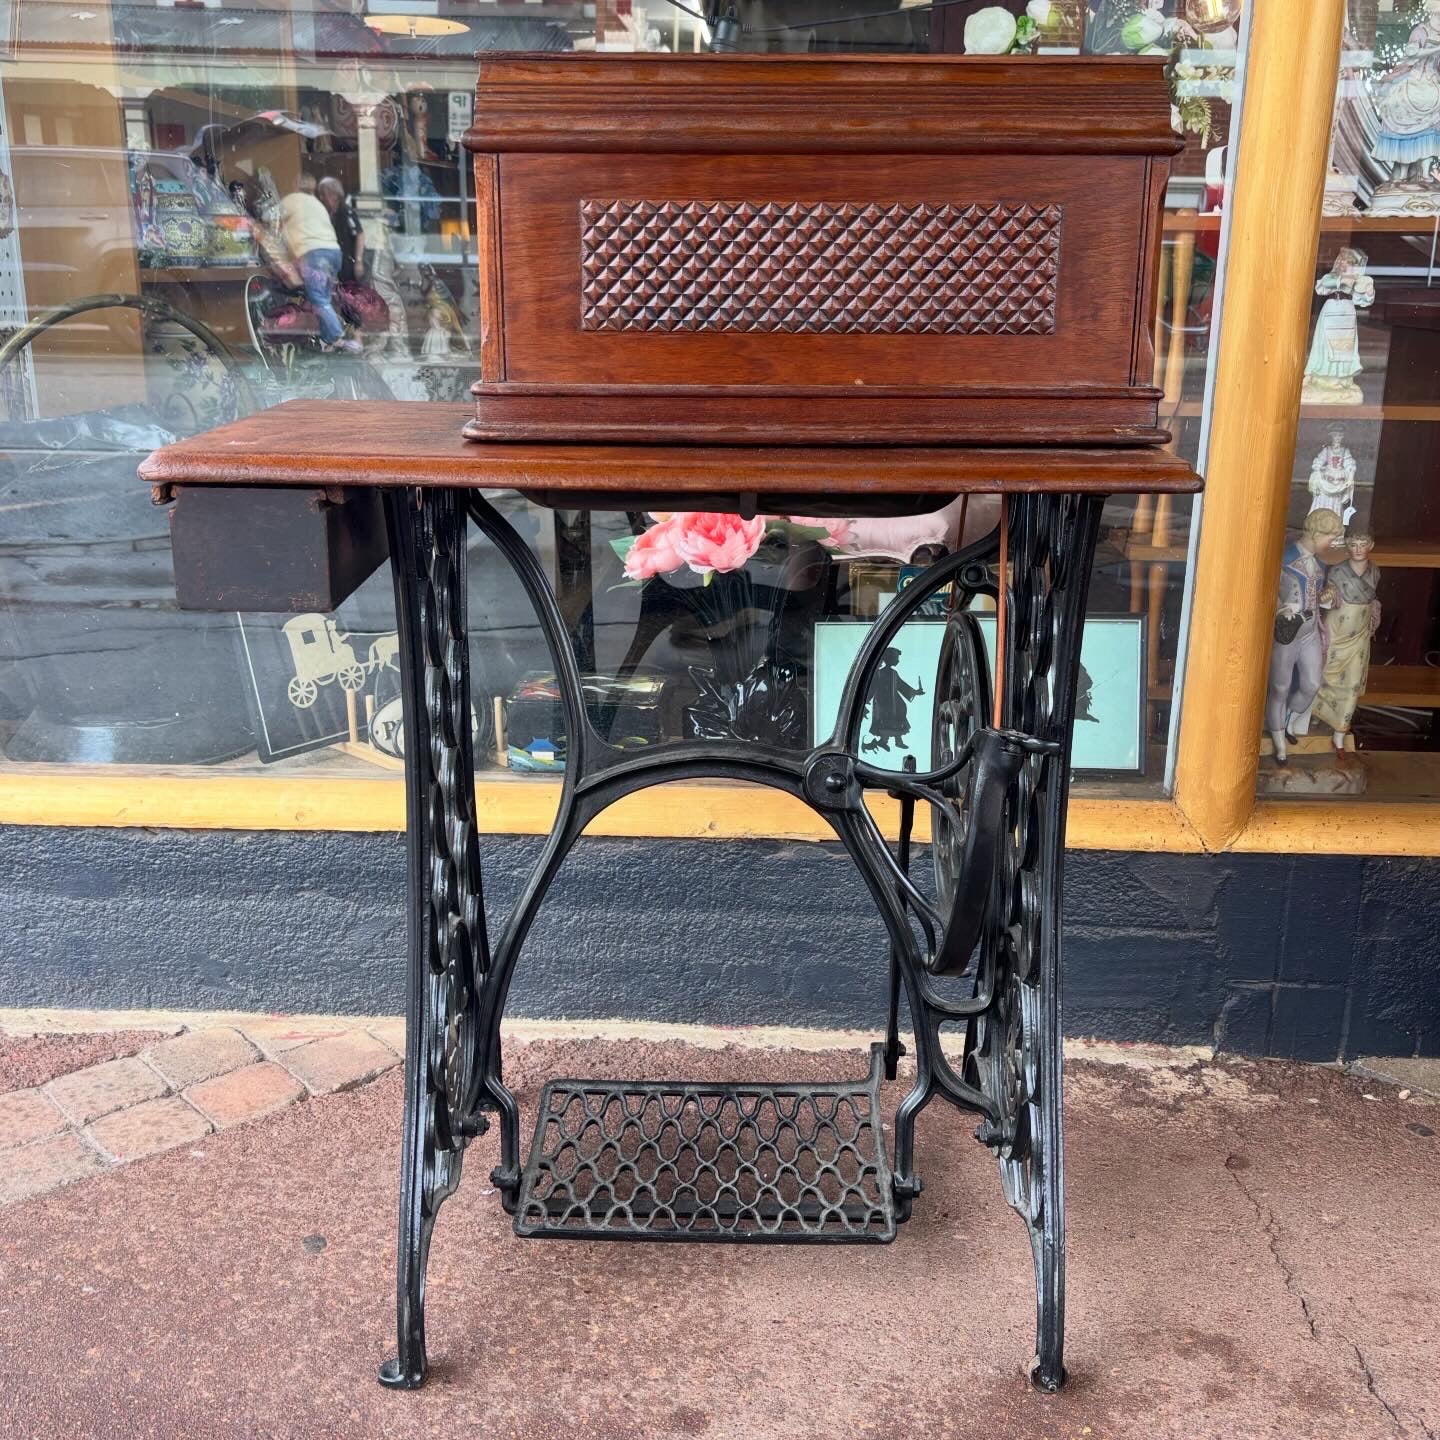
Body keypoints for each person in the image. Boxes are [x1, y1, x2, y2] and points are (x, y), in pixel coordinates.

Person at [1265, 508, 1341, 764]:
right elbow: (1266, 588)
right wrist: (1280, 607)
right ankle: (1278, 743)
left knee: (1311, 684)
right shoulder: (1283, 557)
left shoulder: (1319, 564)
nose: (1331, 545)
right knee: (1280, 687)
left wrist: (1326, 599)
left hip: (1309, 630)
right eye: (1330, 538)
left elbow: (1315, 597)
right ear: (1317, 533)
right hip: (1287, 631)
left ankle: (1286, 719)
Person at [1314, 531, 1382, 754]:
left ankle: (1340, 734)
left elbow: (1371, 598)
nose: (1358, 549)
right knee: (1327, 675)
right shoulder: (1338, 571)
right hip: (1339, 629)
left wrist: (1374, 610)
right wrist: (1326, 595)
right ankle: (1316, 714)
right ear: (1347, 546)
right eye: (1354, 544)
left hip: (1359, 633)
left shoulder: (1375, 571)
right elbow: (1326, 597)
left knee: (1352, 683)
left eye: (1363, 544)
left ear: (1370, 545)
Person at [280, 175, 358, 354]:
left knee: (318, 298)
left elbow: (268, 215)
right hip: (333, 253)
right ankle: (328, 340)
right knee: (323, 298)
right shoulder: (317, 204)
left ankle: (339, 337)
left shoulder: (293, 199)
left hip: (315, 254)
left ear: (295, 185)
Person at [317, 176, 364, 283]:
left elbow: (360, 235)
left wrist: (358, 261)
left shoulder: (346, 212)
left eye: (324, 194)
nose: (321, 198)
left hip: (347, 263)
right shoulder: (325, 213)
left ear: (335, 195)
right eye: (320, 194)